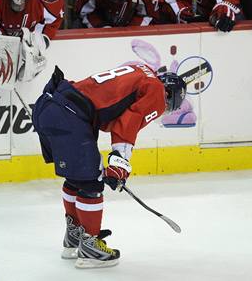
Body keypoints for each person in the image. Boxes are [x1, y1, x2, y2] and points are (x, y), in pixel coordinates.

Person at [32, 64, 186, 268]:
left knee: (77, 178)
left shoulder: (140, 69)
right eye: (170, 106)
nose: (164, 109)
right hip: (70, 114)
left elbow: (113, 106)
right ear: (170, 96)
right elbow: (130, 121)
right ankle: (90, 248)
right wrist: (119, 164)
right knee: (91, 184)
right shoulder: (157, 92)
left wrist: (117, 162)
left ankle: (75, 234)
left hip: (51, 105)